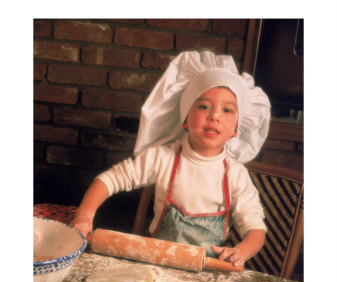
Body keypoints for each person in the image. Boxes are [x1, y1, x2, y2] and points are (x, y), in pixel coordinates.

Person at [70, 51, 270, 267]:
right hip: (157, 265)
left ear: (236, 129)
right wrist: (84, 216)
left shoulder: (236, 175)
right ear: (184, 118)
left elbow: (255, 229)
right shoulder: (162, 158)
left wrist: (241, 250)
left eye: (228, 110)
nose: (215, 116)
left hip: (208, 271)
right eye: (203, 106)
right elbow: (109, 180)